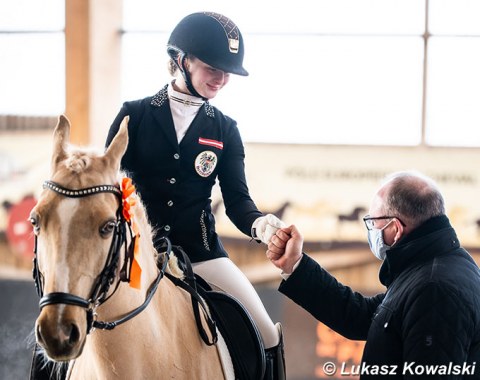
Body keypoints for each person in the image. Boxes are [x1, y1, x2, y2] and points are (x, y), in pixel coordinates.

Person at [105, 12, 285, 379]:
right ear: (181, 60)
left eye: (227, 71)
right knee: (70, 315)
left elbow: (237, 201)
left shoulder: (225, 130)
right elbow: (107, 183)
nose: (221, 78)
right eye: (213, 67)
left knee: (266, 332)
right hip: (135, 253)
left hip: (200, 253)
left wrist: (260, 225)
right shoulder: (134, 116)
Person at [267, 171, 480, 379]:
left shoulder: (434, 289)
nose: (371, 230)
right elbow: (362, 316)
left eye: (373, 222)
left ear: (395, 229)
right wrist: (295, 264)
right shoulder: (430, 269)